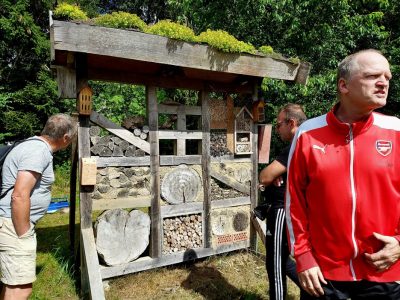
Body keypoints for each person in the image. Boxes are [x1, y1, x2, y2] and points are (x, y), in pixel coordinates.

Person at [286, 49, 400, 299]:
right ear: (343, 85)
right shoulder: (308, 133)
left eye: (387, 77)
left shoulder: (396, 131)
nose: (383, 83)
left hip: (386, 272)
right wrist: (303, 256)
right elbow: (295, 201)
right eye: (372, 76)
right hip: (324, 276)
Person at [0, 114, 76, 299]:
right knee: (20, 288)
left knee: (11, 284)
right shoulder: (38, 151)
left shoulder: (31, 145)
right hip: (13, 226)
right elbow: (19, 195)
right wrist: (24, 233)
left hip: (9, 222)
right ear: (65, 137)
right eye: (72, 138)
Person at [257, 103, 307, 300]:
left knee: (275, 263)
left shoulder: (296, 144)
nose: (277, 130)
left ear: (291, 123)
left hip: (282, 211)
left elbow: (265, 176)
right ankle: (314, 291)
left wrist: (272, 177)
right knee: (284, 260)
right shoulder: (311, 141)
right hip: (297, 209)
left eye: (278, 125)